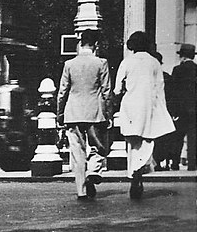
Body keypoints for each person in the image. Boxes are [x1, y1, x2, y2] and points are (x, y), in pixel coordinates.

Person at [113, 31, 175, 199]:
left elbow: (117, 89)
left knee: (133, 142)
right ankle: (138, 171)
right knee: (147, 140)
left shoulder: (127, 62)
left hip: (131, 105)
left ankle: (133, 172)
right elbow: (159, 89)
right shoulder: (154, 62)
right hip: (148, 105)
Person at [56, 30, 111, 200]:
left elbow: (62, 91)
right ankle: (93, 171)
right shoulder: (101, 63)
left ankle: (81, 190)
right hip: (94, 112)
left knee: (77, 152)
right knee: (97, 147)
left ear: (80, 44)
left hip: (73, 113)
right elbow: (106, 91)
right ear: (96, 45)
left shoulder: (69, 64)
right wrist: (108, 113)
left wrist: (60, 113)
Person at [171, 43, 196, 171]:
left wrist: (174, 110)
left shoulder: (177, 70)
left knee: (178, 138)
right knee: (193, 137)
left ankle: (175, 163)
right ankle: (192, 164)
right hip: (194, 109)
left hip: (180, 110)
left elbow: (173, 91)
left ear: (182, 56)